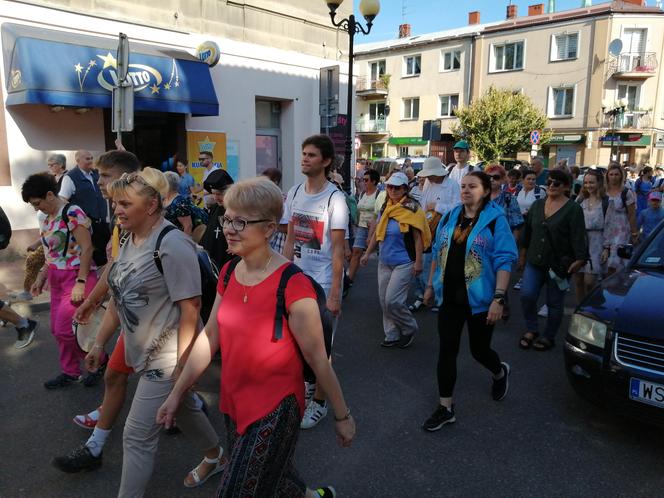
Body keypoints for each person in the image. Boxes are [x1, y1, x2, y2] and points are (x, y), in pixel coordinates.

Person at [156, 177, 352, 498]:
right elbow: (210, 335)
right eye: (227, 218)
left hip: (275, 408)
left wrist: (343, 416)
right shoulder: (230, 271)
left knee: (237, 490)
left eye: (241, 221)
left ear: (270, 229)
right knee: (271, 479)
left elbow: (319, 358)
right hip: (233, 401)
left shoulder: (293, 284)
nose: (229, 228)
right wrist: (178, 392)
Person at [87, 168, 224, 496]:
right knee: (185, 409)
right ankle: (216, 456)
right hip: (140, 348)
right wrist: (98, 343)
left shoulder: (172, 243)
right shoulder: (128, 237)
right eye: (115, 203)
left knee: (136, 435)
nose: (117, 210)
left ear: (150, 206)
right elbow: (121, 297)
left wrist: (182, 364)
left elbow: (191, 308)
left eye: (124, 203)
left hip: (167, 353)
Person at [52, 150, 143, 472]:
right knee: (115, 375)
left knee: (175, 398)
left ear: (124, 176)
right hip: (130, 319)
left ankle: (213, 451)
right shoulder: (122, 220)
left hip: (156, 329)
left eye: (104, 175)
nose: (98, 181)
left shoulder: (147, 219)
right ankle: (96, 447)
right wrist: (92, 301)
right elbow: (115, 267)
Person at [421, 171, 517, 431]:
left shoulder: (496, 221)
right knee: (447, 350)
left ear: (485, 190)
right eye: (463, 186)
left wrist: (499, 298)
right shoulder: (452, 215)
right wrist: (430, 286)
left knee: (479, 351)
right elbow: (438, 252)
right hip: (450, 297)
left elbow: (505, 260)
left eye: (472, 186)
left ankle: (499, 372)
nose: (465, 190)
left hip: (481, 300)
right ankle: (445, 407)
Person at [283, 134, 348, 430]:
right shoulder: (295, 192)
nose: (304, 158)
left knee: (322, 348)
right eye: (303, 153)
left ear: (325, 161)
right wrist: (282, 273)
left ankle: (320, 402)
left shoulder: (336, 198)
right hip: (297, 279)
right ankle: (308, 386)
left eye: (311, 155)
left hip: (323, 282)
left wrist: (335, 294)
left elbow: (338, 250)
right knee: (298, 342)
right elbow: (289, 237)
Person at [22, 173, 99, 388]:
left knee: (68, 330)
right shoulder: (48, 219)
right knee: (57, 331)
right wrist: (41, 276)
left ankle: (98, 361)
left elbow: (87, 248)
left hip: (75, 276)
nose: (37, 209)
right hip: (56, 279)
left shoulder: (72, 212)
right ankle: (71, 372)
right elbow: (51, 254)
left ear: (49, 194)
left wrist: (81, 282)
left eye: (38, 203)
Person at [519, 169, 588, 351]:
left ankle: (549, 336)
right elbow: (527, 233)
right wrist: (522, 256)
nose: (551, 186)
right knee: (527, 294)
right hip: (534, 261)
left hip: (558, 265)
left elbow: (578, 236)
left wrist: (580, 259)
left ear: (566, 187)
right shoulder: (537, 205)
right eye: (549, 182)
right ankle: (532, 329)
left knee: (554, 303)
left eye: (556, 183)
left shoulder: (573, 209)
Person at [360, 172, 429, 347]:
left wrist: (419, 261)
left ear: (405, 189)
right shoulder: (386, 206)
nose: (392, 190)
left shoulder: (413, 209)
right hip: (384, 260)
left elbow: (417, 238)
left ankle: (408, 328)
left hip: (404, 261)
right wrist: (367, 253)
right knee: (384, 300)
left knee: (393, 300)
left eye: (397, 187)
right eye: (390, 186)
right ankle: (391, 334)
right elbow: (377, 232)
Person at [408, 157, 460, 313]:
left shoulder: (452, 185)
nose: (428, 177)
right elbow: (423, 204)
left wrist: (437, 206)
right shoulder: (429, 183)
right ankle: (422, 295)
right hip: (427, 228)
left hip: (444, 229)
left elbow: (458, 208)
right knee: (421, 260)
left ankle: (437, 297)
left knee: (437, 263)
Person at [58, 150, 110, 266]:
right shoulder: (70, 177)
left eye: (91, 158)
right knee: (92, 258)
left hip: (102, 223)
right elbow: (62, 199)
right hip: (86, 226)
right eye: (87, 159)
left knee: (106, 256)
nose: (91, 161)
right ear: (78, 160)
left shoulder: (96, 174)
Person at [575, 170, 608, 302]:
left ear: (599, 183)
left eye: (592, 182)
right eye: (586, 182)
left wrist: (606, 247)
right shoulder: (580, 200)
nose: (588, 185)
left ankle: (593, 306)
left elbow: (610, 226)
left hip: (597, 243)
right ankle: (580, 309)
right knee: (578, 280)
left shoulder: (606, 201)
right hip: (580, 242)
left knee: (589, 281)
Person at [604, 162, 638, 275]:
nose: (613, 177)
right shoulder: (603, 191)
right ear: (607, 175)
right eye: (611, 174)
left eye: (616, 174)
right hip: (605, 228)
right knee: (604, 259)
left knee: (616, 260)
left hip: (621, 230)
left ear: (621, 176)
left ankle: (615, 286)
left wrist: (634, 233)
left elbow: (632, 214)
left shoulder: (626, 192)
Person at [200, 168, 235, 270]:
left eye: (219, 194)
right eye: (213, 193)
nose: (215, 198)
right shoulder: (215, 207)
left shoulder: (238, 209)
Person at [348, 168, 379, 284]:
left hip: (375, 227)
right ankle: (349, 279)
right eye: (362, 180)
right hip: (362, 226)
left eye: (366, 180)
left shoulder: (379, 195)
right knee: (356, 251)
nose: (363, 182)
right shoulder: (361, 194)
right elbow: (359, 210)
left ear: (374, 181)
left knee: (381, 254)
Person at [163, 171, 208, 241]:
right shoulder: (165, 199)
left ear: (167, 185)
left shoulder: (179, 202)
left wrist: (184, 245)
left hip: (182, 241)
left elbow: (188, 226)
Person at [486, 164, 524, 235]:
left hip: (503, 240)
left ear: (503, 179)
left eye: (496, 177)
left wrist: (512, 244)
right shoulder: (480, 197)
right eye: (488, 177)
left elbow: (517, 226)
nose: (491, 180)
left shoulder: (509, 198)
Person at [261, 168, 288, 254]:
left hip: (279, 240)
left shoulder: (282, 199)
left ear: (275, 182)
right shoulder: (265, 199)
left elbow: (286, 227)